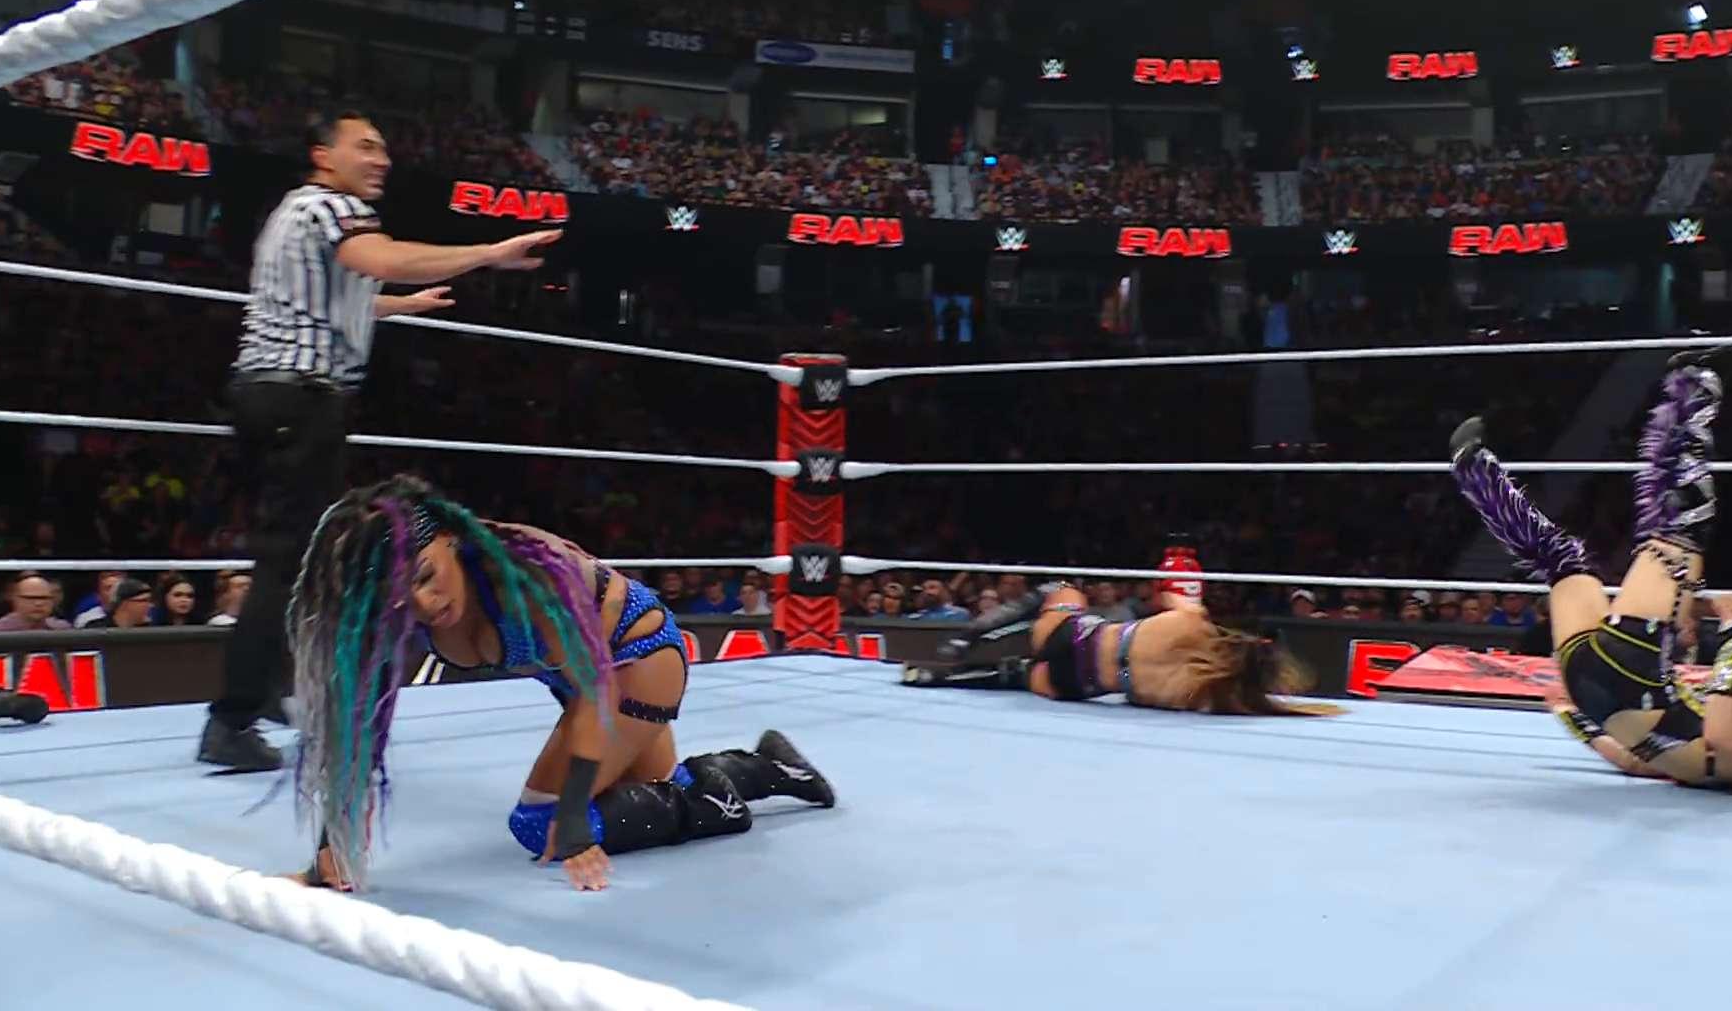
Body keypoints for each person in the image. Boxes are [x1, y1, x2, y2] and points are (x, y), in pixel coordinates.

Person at [203, 109, 565, 774]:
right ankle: (231, 719)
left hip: (266, 395)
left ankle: (263, 687)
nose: (381, 159)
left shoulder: (293, 212)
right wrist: (489, 253)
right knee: (289, 560)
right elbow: (383, 258)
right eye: (365, 147)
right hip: (301, 399)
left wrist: (403, 305)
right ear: (323, 155)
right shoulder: (333, 208)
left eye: (384, 149)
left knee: (298, 554)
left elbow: (327, 302)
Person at [283, 476, 835, 893]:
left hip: (637, 658)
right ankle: (774, 767)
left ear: (450, 540)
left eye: (426, 577)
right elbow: (359, 725)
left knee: (540, 821)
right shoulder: (400, 615)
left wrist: (572, 824)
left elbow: (595, 691)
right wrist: (332, 847)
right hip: (579, 678)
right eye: (400, 596)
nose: (424, 604)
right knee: (658, 786)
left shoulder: (522, 580)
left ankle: (718, 803)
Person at [1449, 354, 1732, 790]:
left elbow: (1722, 737)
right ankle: (1475, 473)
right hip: (1597, 691)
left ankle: (1695, 388)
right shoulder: (1731, 761)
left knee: (1677, 529)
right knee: (1561, 561)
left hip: (1629, 677)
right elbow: (1637, 763)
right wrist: (1574, 716)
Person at [932, 581, 1343, 716]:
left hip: (1074, 636)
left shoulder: (1193, 621)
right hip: (1075, 683)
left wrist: (1190, 599)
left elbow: (1170, 592)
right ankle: (984, 675)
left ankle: (969, 636)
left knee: (1062, 590)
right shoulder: (1206, 695)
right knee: (1027, 676)